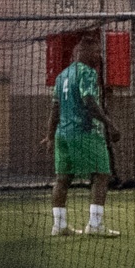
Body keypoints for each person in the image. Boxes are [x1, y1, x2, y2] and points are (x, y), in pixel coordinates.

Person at [48, 26, 121, 238]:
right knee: (102, 174)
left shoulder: (62, 76)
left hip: (63, 134)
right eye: (97, 52)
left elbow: (55, 108)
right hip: (85, 131)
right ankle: (95, 225)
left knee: (62, 179)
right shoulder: (87, 72)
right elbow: (88, 100)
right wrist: (109, 124)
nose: (99, 56)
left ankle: (59, 225)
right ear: (84, 52)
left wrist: (49, 135)